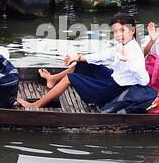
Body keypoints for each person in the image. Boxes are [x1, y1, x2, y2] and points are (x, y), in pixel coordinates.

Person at [17, 12, 149, 110]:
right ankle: (53, 79)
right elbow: (101, 55)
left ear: (132, 30)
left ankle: (36, 105)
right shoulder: (123, 45)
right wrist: (77, 57)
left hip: (114, 89)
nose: (118, 35)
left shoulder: (134, 51)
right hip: (112, 79)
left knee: (70, 78)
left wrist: (128, 61)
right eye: (115, 32)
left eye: (122, 30)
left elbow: (144, 80)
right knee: (84, 63)